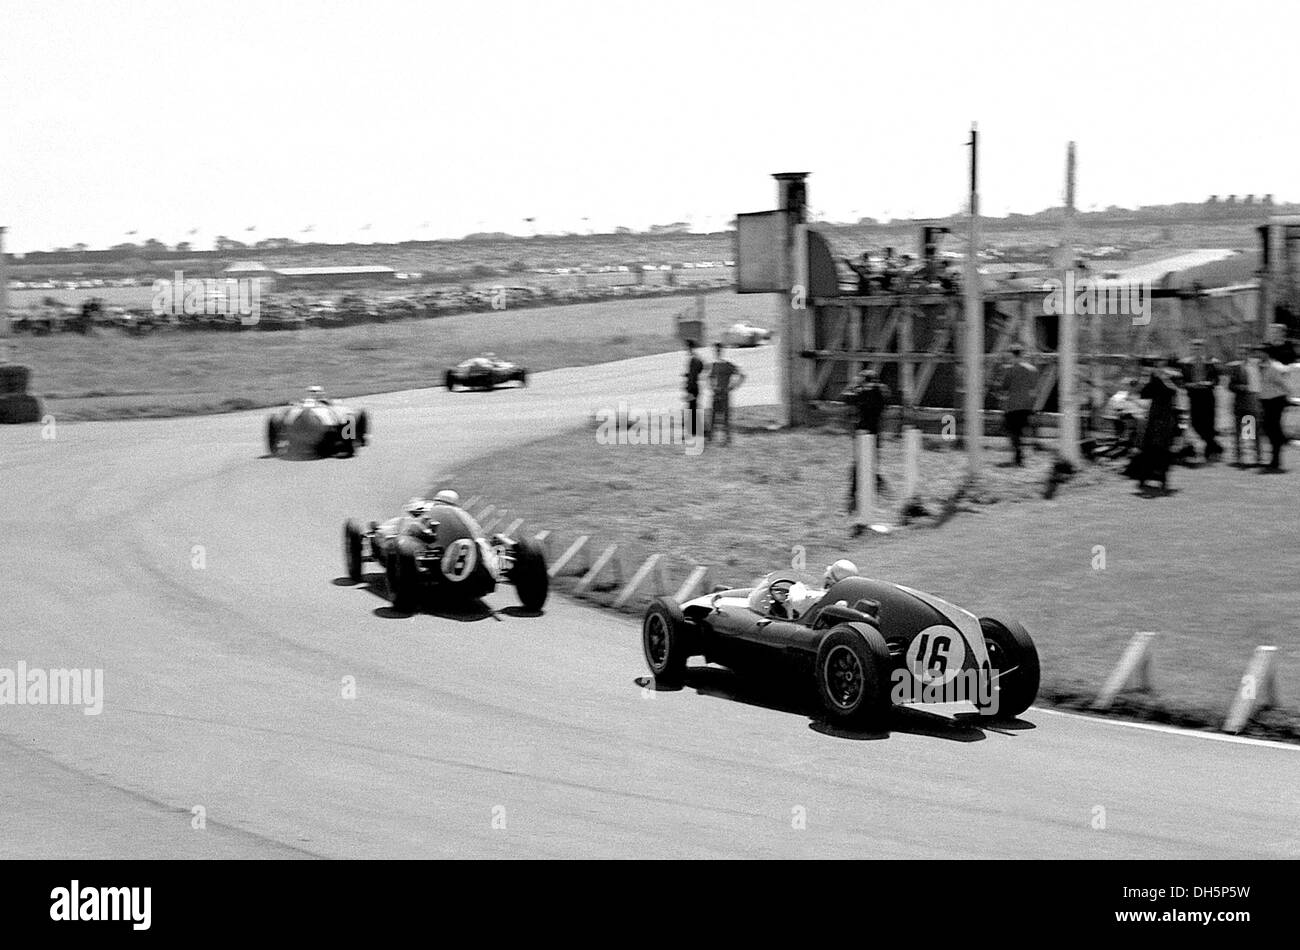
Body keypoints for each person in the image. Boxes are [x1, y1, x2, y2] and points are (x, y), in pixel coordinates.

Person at [841, 369, 891, 510]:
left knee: (859, 468)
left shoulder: (863, 392)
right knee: (869, 465)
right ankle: (874, 489)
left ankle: (854, 499)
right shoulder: (882, 392)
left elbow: (845, 397)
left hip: (862, 434)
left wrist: (854, 385)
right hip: (875, 434)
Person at [1127, 358, 1179, 492]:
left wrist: (1163, 378)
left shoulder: (1168, 378)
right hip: (1154, 419)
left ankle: (1161, 480)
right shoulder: (1151, 380)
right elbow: (1142, 393)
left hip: (1165, 420)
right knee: (1149, 450)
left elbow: (1173, 391)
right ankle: (1144, 479)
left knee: (1162, 451)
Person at [1177, 339, 1222, 460]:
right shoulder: (1185, 363)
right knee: (1196, 423)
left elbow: (1216, 380)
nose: (1197, 350)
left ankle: (1210, 451)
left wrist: (1208, 383)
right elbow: (1181, 380)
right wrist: (1188, 385)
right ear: (1191, 349)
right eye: (1194, 348)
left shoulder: (1211, 363)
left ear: (1203, 349)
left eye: (1199, 348)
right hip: (1193, 396)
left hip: (1207, 395)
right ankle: (1215, 446)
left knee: (1208, 423)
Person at [998, 344, 1039, 467]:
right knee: (1020, 430)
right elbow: (1034, 388)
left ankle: (1018, 454)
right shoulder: (1032, 370)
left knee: (1010, 429)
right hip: (1027, 405)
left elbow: (1004, 387)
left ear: (1012, 354)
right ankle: (1020, 454)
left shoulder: (1009, 369)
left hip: (1013, 405)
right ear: (1022, 354)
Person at [1226, 343, 1264, 466]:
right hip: (1240, 404)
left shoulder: (1256, 366)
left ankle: (1257, 457)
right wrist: (1241, 387)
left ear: (1249, 354)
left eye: (1245, 353)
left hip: (1252, 403)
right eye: (1241, 353)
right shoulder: (1236, 368)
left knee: (1253, 432)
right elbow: (1230, 386)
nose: (1243, 355)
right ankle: (1238, 457)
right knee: (1239, 432)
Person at [1257, 345, 1292, 472]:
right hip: (1267, 401)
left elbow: (1282, 383)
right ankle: (1276, 456)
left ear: (1267, 353)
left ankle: (1276, 458)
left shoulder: (1274, 367)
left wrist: (1287, 395)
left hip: (1276, 401)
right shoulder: (1263, 366)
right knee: (1269, 428)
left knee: (1272, 428)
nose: (1259, 354)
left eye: (1261, 352)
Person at [707, 342, 745, 445]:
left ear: (722, 351)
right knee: (713, 417)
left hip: (724, 393)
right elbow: (709, 378)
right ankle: (711, 439)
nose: (717, 352)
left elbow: (742, 375)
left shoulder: (727, 365)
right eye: (716, 350)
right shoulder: (714, 365)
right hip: (716, 393)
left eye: (719, 350)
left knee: (725, 417)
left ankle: (728, 439)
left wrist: (733, 386)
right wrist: (712, 387)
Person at [682, 340, 705, 438]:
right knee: (694, 408)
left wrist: (688, 387)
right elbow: (702, 367)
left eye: (687, 347)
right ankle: (696, 430)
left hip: (692, 388)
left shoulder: (692, 359)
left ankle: (692, 431)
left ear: (690, 347)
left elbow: (692, 376)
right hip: (696, 386)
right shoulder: (698, 358)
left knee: (691, 409)